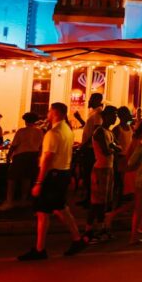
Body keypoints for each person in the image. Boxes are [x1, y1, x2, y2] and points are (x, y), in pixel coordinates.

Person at [18, 103, 88, 261]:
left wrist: (39, 182)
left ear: (55, 113)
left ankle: (40, 249)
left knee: (44, 212)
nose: (48, 113)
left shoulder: (53, 133)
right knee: (59, 208)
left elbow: (48, 158)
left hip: (52, 175)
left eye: (50, 111)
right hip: (63, 172)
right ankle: (74, 240)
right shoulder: (68, 131)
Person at [85, 107, 120, 242]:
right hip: (100, 169)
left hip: (108, 168)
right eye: (113, 115)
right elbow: (107, 150)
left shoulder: (109, 132)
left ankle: (102, 228)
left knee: (106, 201)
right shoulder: (99, 132)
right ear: (105, 116)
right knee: (96, 202)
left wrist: (114, 147)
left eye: (116, 115)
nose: (115, 118)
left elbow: (116, 147)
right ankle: (89, 230)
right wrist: (115, 148)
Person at [2, 112, 43, 210]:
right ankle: (23, 200)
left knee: (12, 178)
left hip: (20, 155)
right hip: (33, 156)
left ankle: (9, 201)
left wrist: (8, 155)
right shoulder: (40, 131)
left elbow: (14, 145)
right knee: (27, 178)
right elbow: (41, 145)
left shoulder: (21, 131)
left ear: (25, 121)